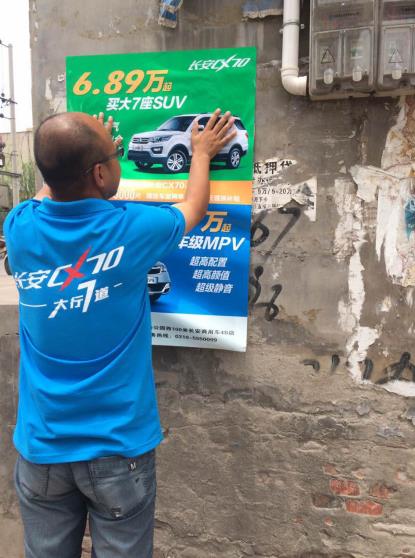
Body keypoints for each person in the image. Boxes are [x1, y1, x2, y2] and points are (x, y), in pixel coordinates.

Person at [4, 109, 236, 558]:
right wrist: (202, 153)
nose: (119, 159)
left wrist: (77, 153)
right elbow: (192, 208)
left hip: (42, 450)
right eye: (115, 155)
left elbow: (51, 185)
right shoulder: (132, 227)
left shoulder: (19, 227)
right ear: (98, 173)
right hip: (118, 450)